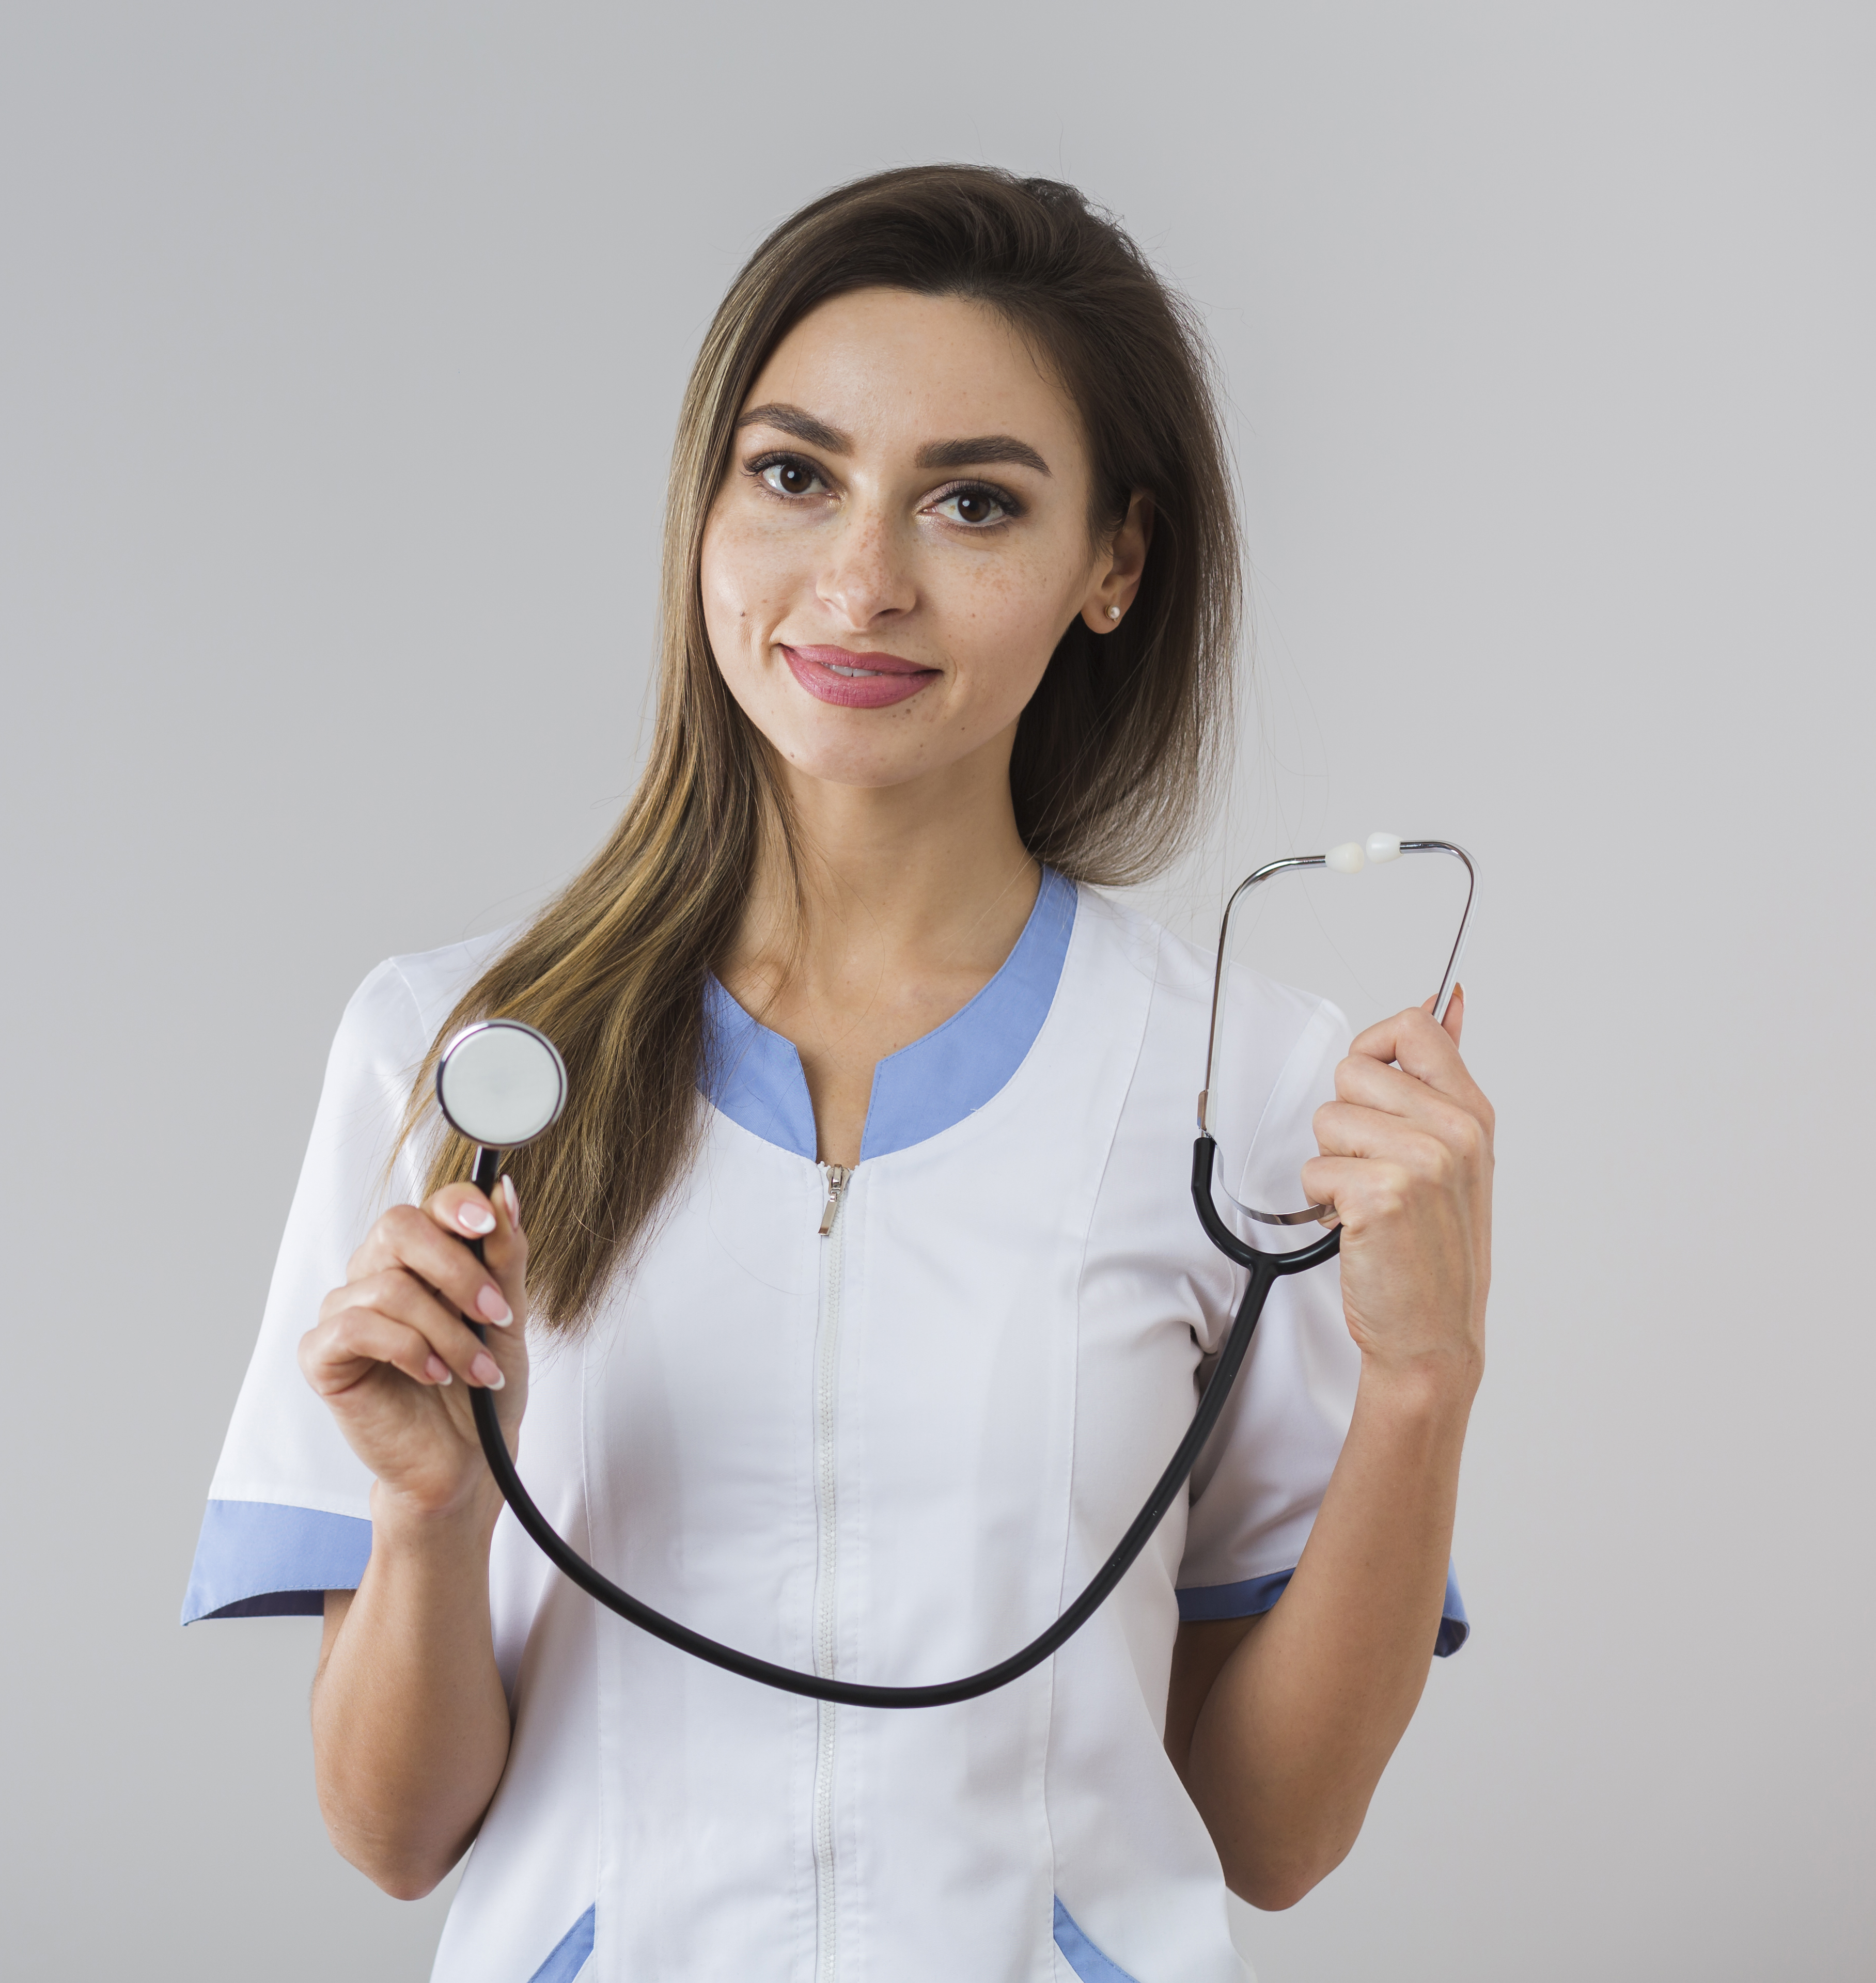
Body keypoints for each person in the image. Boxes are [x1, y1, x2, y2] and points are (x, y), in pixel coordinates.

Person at [185, 165, 1493, 1983]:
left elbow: (1269, 1840)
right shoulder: (455, 1058)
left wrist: (1423, 1384)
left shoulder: (1250, 1088)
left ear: (1114, 565)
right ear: (707, 509)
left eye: (973, 502)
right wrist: (428, 1518)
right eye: (793, 475)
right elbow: (397, 1838)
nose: (860, 581)